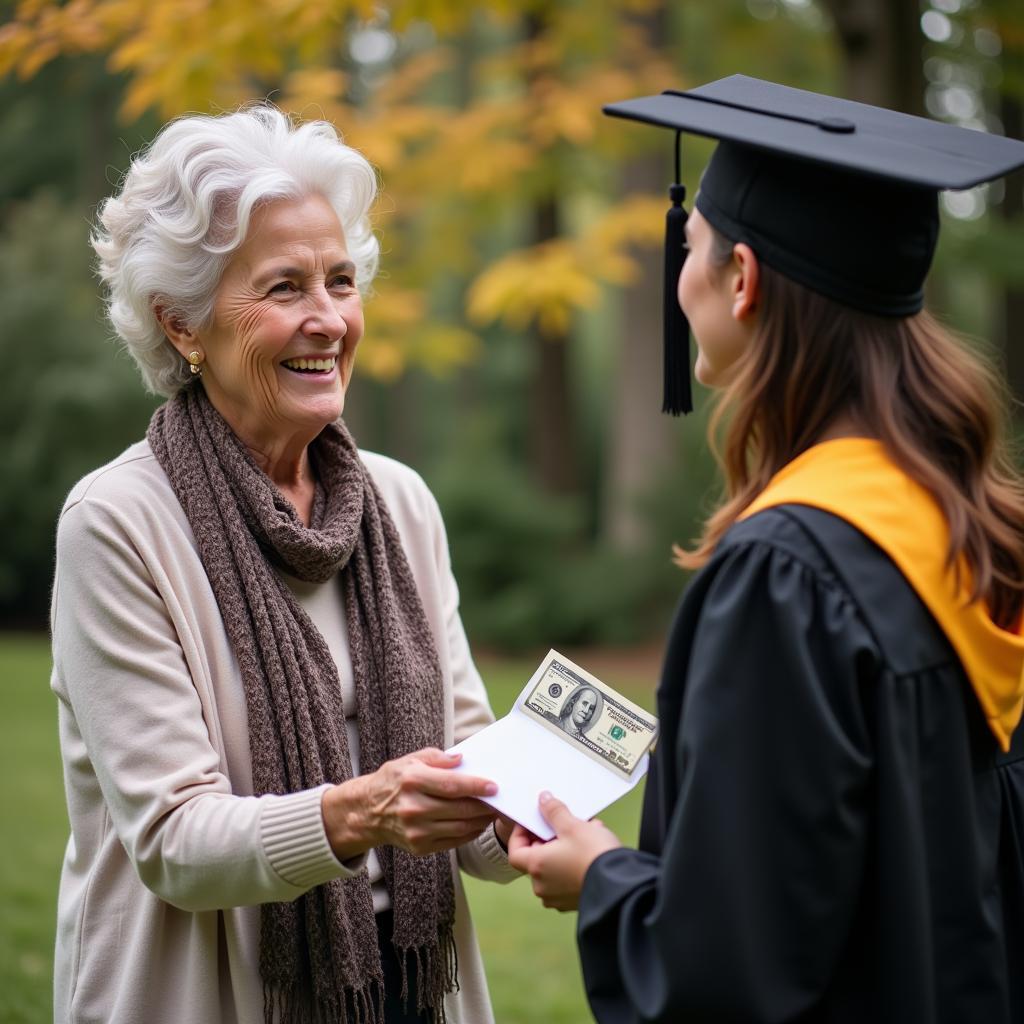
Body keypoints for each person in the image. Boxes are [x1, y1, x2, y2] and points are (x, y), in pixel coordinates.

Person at [508, 75, 1024, 1022]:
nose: (682, 276)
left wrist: (605, 878)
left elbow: (732, 969)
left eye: (691, 248)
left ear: (740, 280)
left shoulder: (787, 577)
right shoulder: (973, 533)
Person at [50, 106, 519, 1024]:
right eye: (284, 287)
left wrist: (545, 808)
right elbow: (175, 841)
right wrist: (361, 814)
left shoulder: (399, 503)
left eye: (341, 280)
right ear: (182, 324)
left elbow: (469, 761)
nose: (329, 320)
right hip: (216, 993)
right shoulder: (117, 523)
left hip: (409, 986)